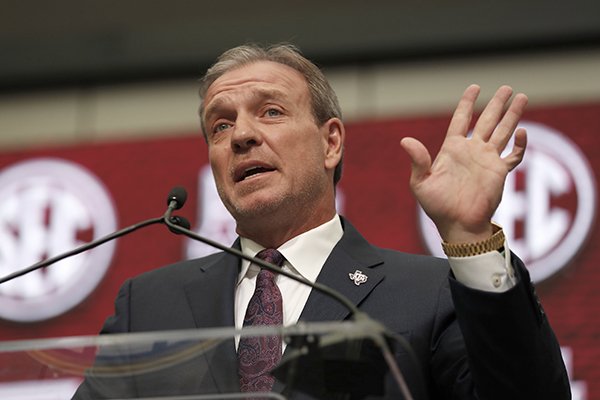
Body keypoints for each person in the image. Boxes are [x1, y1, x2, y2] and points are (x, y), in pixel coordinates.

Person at [73, 43, 570, 399]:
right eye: (220, 125)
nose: (240, 136)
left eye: (270, 112)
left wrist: (471, 238)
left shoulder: (429, 292)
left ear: (331, 142)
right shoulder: (149, 305)